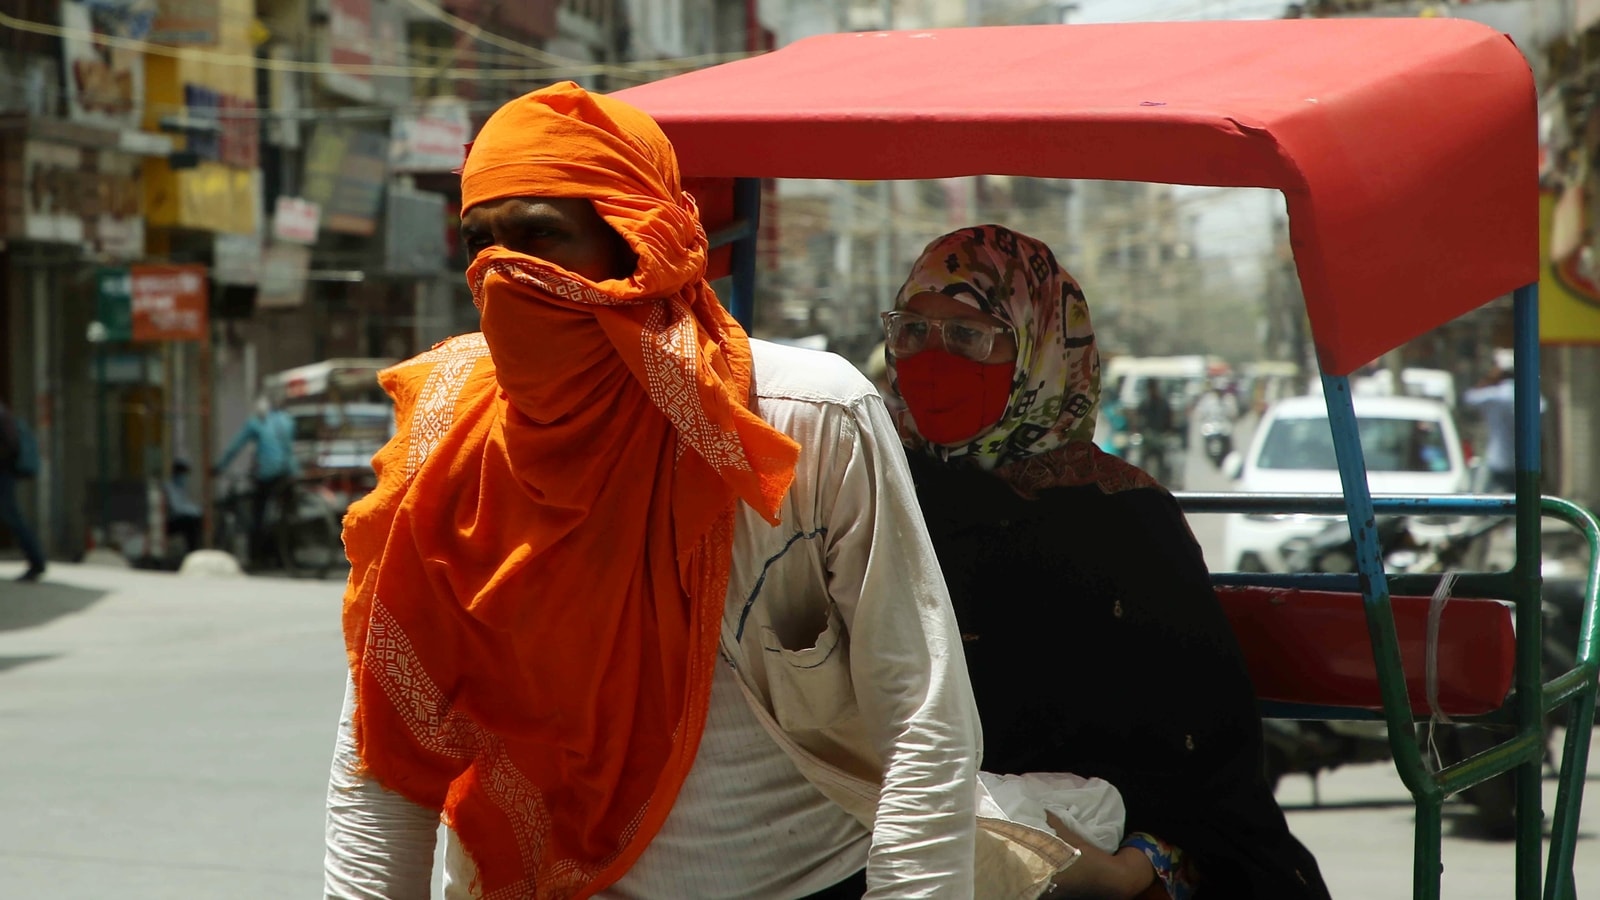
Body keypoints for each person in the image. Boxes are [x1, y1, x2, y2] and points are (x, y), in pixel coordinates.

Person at [322, 83, 1008, 900]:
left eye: (542, 237)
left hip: (811, 882)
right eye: (481, 241)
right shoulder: (449, 436)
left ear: (637, 246)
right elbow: (385, 748)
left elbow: (924, 715)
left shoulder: (799, 415)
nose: (505, 273)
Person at [883, 225, 1332, 899]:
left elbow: (1205, 760)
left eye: (969, 335)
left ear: (1039, 346)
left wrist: (1133, 868)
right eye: (913, 330)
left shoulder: (1126, 521)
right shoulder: (875, 491)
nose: (932, 358)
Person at [214, 395, 299, 562]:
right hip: (289, 472)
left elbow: (236, 446)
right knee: (287, 513)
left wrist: (220, 466)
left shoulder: (256, 422)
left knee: (258, 512)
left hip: (269, 474)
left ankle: (257, 555)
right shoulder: (287, 420)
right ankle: (287, 553)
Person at [1461, 353, 1545, 493]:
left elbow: (1469, 398)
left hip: (1497, 460)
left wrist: (1489, 379)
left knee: (1485, 503)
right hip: (1524, 463)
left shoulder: (1494, 396)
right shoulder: (1530, 395)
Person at [0, 400, 45, 582]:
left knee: (12, 516)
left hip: (3, 473)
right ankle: (36, 561)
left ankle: (36, 561)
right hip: (5, 472)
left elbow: (9, 445)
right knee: (12, 515)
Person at [164, 458, 204, 556]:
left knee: (195, 521)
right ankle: (192, 552)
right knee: (191, 522)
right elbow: (177, 508)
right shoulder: (170, 487)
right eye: (182, 473)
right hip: (169, 521)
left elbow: (185, 505)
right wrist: (196, 511)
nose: (184, 477)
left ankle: (196, 550)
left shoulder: (181, 488)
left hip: (178, 519)